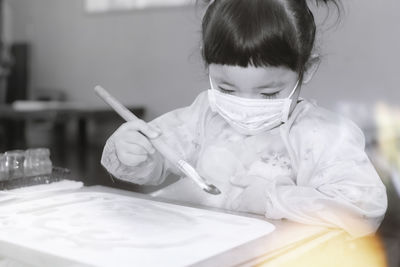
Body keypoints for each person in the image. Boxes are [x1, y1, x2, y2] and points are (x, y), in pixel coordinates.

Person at [101, 0, 387, 237]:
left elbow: (364, 209)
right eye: (227, 88)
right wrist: (133, 152)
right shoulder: (204, 114)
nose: (245, 105)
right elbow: (159, 157)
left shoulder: (322, 134)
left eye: (268, 93)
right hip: (196, 245)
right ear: (206, 63)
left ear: (306, 69)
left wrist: (273, 199)